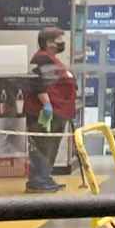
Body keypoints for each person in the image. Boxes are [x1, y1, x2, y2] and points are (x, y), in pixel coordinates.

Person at [23, 27, 78, 192]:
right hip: (45, 112)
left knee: (50, 146)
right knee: (42, 145)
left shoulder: (51, 59)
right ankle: (38, 180)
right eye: (59, 39)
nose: (63, 42)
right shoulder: (42, 58)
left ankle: (44, 177)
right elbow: (38, 83)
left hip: (58, 111)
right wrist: (47, 105)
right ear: (49, 42)